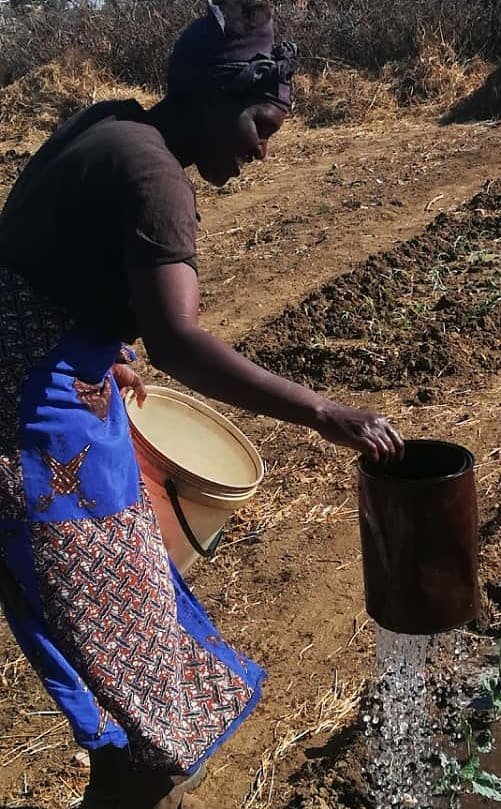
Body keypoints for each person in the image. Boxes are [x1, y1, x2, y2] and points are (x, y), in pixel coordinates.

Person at [0, 2, 404, 807]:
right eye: (260, 126)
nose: (260, 152)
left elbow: (37, 252)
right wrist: (327, 412)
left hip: (27, 394)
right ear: (216, 98)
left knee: (122, 690)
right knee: (146, 715)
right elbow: (181, 343)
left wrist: (98, 346)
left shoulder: (107, 125)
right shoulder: (155, 181)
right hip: (45, 439)